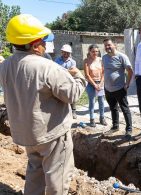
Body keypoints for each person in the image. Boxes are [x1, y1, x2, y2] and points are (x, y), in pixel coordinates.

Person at [0, 14, 86, 195]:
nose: (45, 45)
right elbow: (72, 95)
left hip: (27, 135)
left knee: (35, 172)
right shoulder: (48, 67)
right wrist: (78, 76)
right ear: (34, 45)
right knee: (58, 178)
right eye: (42, 41)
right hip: (51, 134)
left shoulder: (5, 66)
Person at [102, 38, 133, 139]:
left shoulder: (122, 57)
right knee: (113, 108)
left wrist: (127, 84)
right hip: (108, 89)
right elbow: (105, 71)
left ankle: (129, 129)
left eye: (109, 45)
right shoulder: (104, 57)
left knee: (125, 109)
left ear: (115, 45)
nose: (107, 47)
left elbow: (130, 71)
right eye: (106, 45)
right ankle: (115, 126)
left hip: (120, 88)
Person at [83, 44, 107, 127]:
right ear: (89, 52)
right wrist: (94, 85)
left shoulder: (101, 60)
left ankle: (102, 118)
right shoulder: (86, 61)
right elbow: (87, 75)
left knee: (101, 102)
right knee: (92, 102)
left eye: (96, 51)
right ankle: (92, 119)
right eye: (93, 51)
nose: (95, 53)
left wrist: (100, 84)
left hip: (100, 83)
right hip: (91, 83)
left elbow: (104, 73)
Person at [55, 44, 78, 119]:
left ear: (70, 53)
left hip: (70, 81)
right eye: (64, 52)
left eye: (68, 53)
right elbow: (56, 71)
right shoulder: (57, 60)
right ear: (62, 52)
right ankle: (63, 112)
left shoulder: (72, 61)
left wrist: (62, 70)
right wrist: (68, 71)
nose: (66, 54)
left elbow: (74, 72)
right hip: (60, 81)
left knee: (72, 96)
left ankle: (73, 111)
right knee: (61, 96)